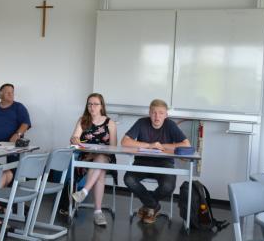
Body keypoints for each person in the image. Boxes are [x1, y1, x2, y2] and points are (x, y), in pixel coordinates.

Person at [121, 99, 190, 224]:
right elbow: (125, 142)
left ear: (166, 115)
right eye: (153, 113)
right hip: (142, 162)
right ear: (149, 113)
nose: (157, 116)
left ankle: (148, 206)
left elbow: (186, 145)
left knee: (168, 187)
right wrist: (150, 145)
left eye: (161, 113)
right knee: (128, 179)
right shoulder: (141, 122)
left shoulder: (170, 125)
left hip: (165, 164)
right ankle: (154, 206)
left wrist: (162, 146)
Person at [69, 93, 117, 227]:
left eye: (95, 104)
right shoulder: (82, 120)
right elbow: (75, 139)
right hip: (86, 157)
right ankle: (97, 211)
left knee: (100, 160)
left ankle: (84, 192)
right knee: (99, 170)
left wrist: (98, 153)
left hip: (106, 157)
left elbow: (113, 147)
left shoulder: (110, 123)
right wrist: (75, 139)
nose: (92, 107)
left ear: (101, 106)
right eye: (89, 104)